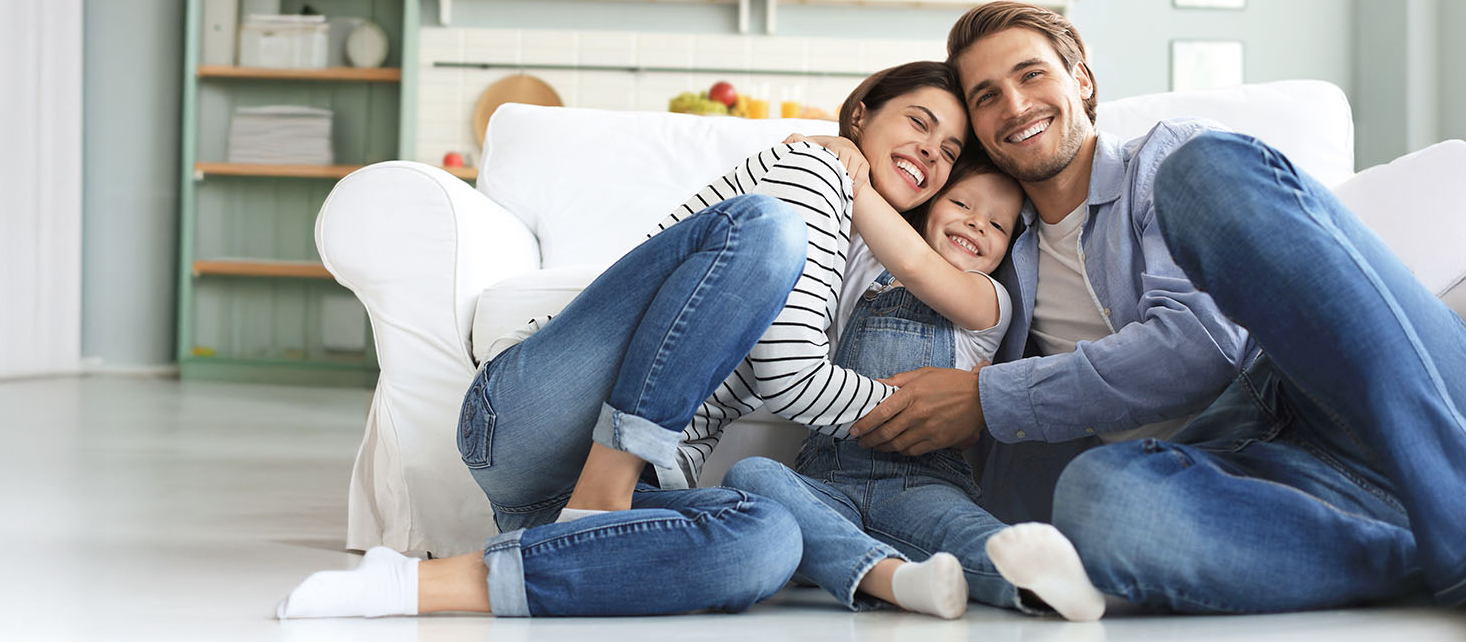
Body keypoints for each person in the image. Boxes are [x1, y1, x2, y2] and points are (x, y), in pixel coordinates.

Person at [846, 1, 1466, 641]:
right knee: (1098, 499)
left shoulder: (1165, 161)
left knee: (1206, 175)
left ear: (1080, 81)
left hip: (1375, 410)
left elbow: (1204, 346)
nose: (1013, 106)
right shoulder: (995, 252)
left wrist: (990, 398)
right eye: (986, 97)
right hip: (1258, 491)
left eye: (1031, 75)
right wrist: (837, 158)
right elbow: (890, 223)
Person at [275, 61, 976, 619]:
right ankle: (601, 495)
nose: (929, 153)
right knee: (766, 228)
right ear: (860, 115)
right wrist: (932, 410)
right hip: (531, 417)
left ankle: (424, 586)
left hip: (577, 492)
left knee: (766, 543)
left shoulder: (870, 258)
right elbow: (792, 378)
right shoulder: (814, 170)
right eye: (918, 122)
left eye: (949, 152)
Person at [724, 156, 1106, 621]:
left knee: (972, 534)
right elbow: (858, 220)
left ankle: (1045, 581)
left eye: (997, 225)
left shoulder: (990, 300)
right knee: (752, 477)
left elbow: (919, 265)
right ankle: (896, 578)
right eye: (961, 203)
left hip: (921, 484)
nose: (974, 222)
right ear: (928, 206)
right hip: (825, 483)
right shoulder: (865, 268)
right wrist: (837, 151)